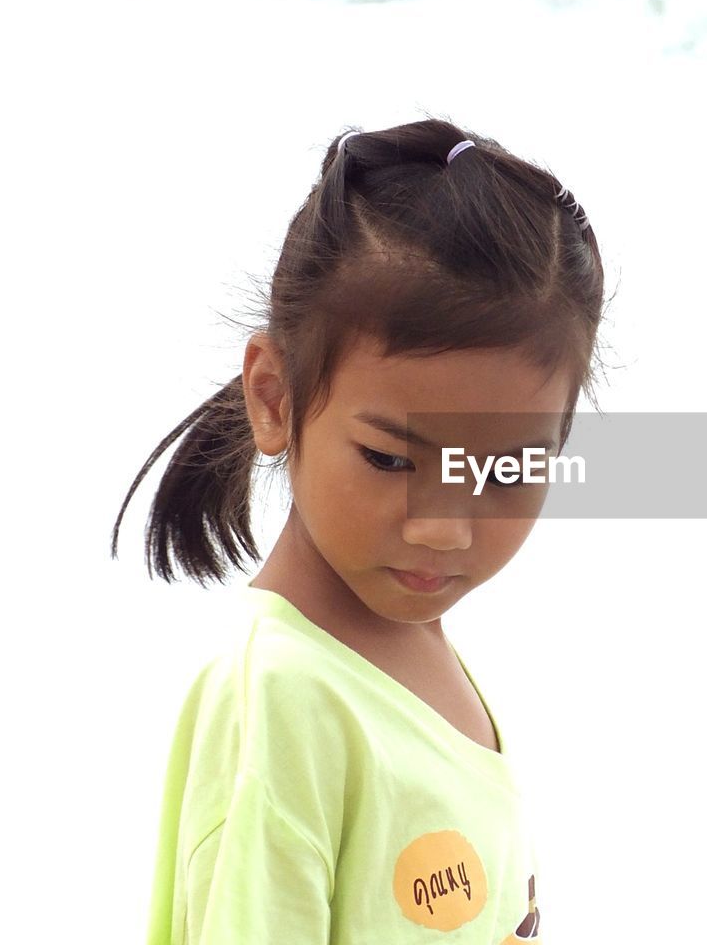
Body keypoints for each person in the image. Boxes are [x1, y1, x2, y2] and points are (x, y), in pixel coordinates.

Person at [112, 118, 609, 945]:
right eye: (388, 459)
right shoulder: (280, 702)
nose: (447, 529)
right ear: (274, 399)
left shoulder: (401, 641)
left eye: (506, 470)